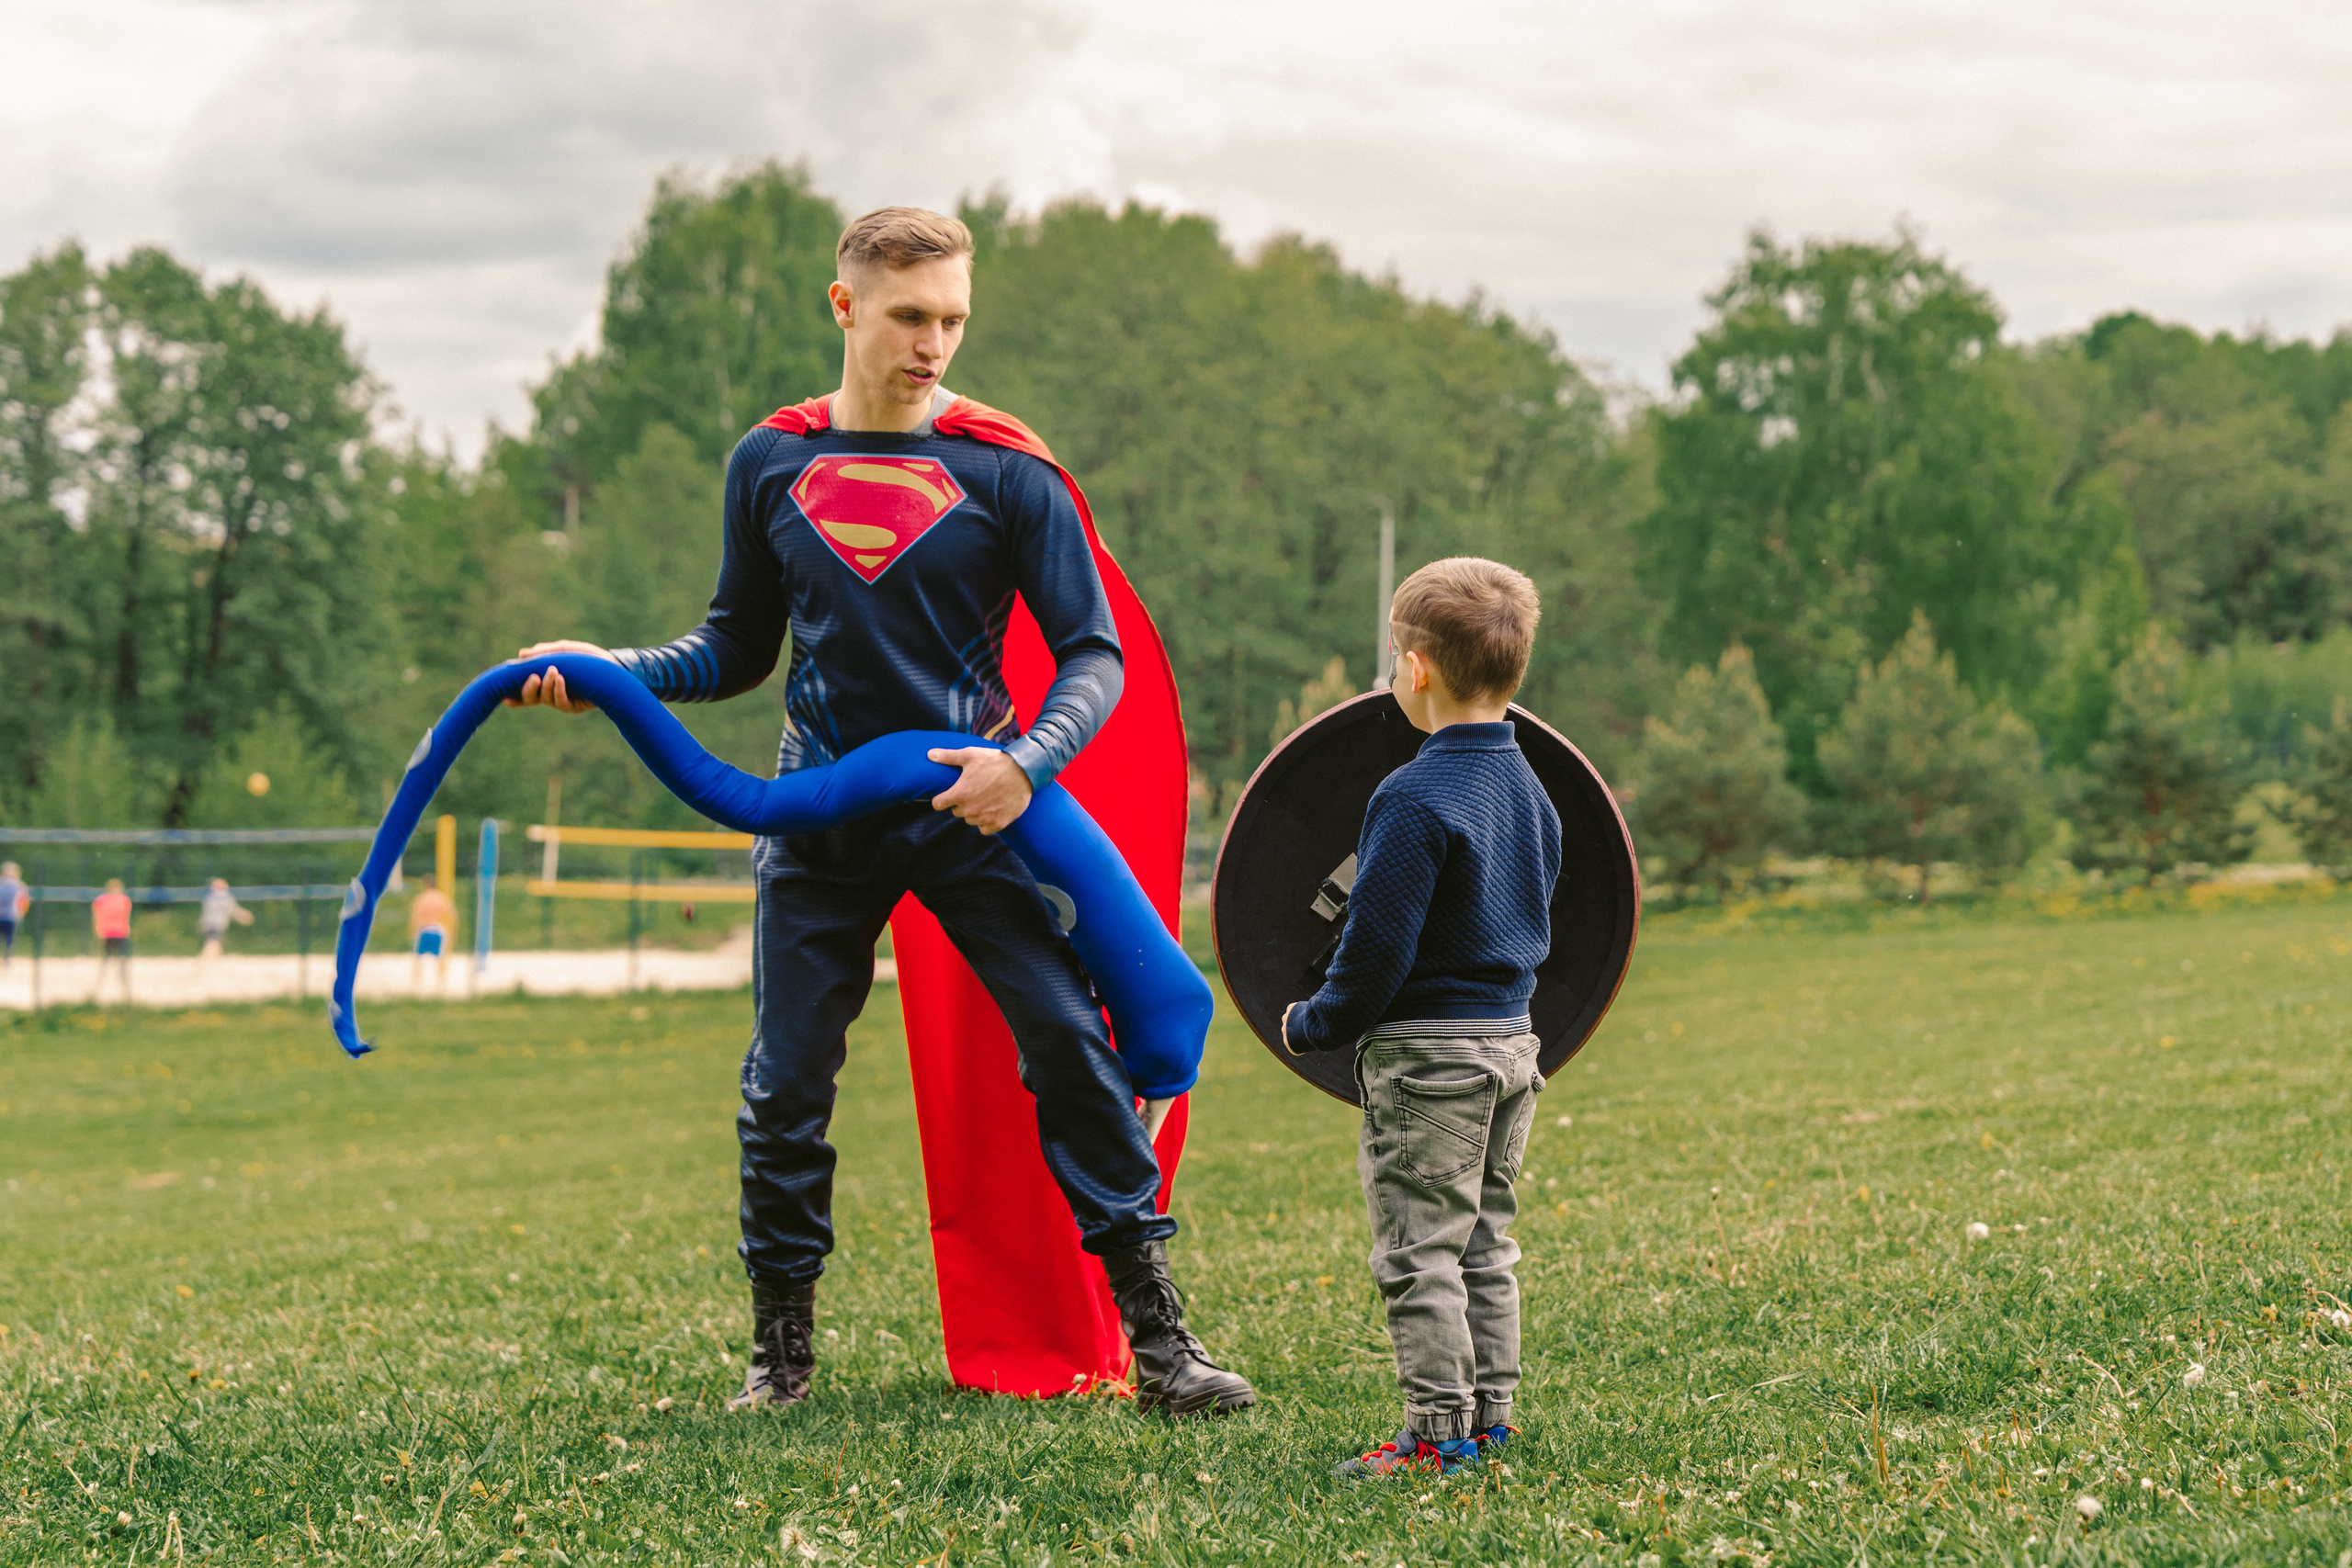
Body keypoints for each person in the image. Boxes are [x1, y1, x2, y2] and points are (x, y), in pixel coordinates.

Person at [507, 207, 1254, 1418]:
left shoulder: (1007, 469)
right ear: (846, 305)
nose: (935, 344)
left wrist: (1025, 760)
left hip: (973, 807)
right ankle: (781, 1361)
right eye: (912, 316)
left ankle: (1161, 1341)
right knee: (785, 1082)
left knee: (1070, 1042)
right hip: (817, 813)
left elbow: (1092, 656)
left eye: (954, 318)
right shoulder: (770, 461)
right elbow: (735, 645)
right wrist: (609, 672)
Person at [1281, 558, 1561, 1478]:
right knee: (1483, 1240)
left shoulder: (1412, 796)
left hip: (1428, 1060)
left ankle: (1437, 1436)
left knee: (1420, 1250)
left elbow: (1375, 956)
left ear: (1414, 667)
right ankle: (1492, 1420)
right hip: (1512, 1049)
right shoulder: (1532, 787)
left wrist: (1313, 1023)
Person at [408, 874, 457, 993]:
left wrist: (412, 931)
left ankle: (417, 986)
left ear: (425, 885)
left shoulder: (421, 899)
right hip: (437, 929)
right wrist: (452, 932)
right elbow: (452, 914)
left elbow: (415, 917)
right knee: (439, 959)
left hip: (424, 930)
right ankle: (441, 985)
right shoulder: (440, 898)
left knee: (418, 960)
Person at [92, 877, 134, 1005]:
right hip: (108, 931)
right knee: (107, 956)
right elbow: (97, 916)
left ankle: (122, 978)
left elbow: (126, 916)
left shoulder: (124, 901)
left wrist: (127, 928)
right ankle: (103, 977)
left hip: (120, 931)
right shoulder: (101, 900)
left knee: (121, 957)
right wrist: (98, 929)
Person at [198, 877, 254, 962]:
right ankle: (205, 958)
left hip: (211, 923)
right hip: (217, 923)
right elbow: (232, 910)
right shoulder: (224, 897)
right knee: (213, 942)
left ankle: (214, 960)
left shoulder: (210, 897)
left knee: (216, 941)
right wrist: (242, 916)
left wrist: (202, 923)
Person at [0, 862, 26, 967]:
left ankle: (7, 958)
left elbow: (23, 901)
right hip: (1, 915)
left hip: (11, 916)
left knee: (9, 940)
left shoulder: (19, 886)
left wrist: (20, 913)